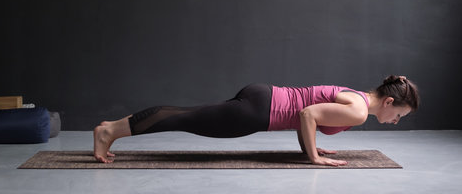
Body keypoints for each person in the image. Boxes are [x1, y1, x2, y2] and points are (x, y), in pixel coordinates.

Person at [93, 75, 419, 166]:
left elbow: (310, 113)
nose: (395, 121)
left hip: (263, 99)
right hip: (260, 111)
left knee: (186, 117)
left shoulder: (357, 98)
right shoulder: (359, 111)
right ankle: (109, 131)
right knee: (183, 118)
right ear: (389, 101)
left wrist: (315, 146)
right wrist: (313, 156)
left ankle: (111, 130)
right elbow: (307, 114)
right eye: (399, 115)